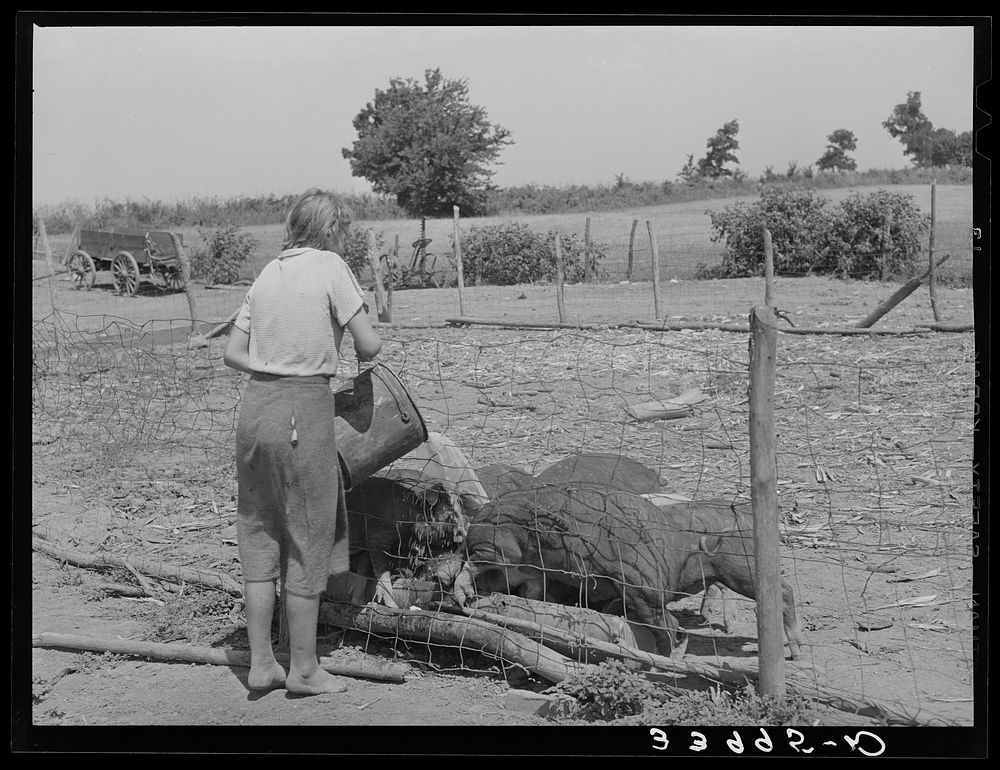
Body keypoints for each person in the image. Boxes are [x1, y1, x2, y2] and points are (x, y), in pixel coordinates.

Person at [223, 188, 383, 695]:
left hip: (254, 413)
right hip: (302, 411)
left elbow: (233, 351)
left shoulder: (268, 273)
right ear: (333, 230)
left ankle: (261, 664)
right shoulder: (331, 266)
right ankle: (305, 669)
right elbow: (370, 343)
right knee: (307, 537)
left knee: (260, 533)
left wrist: (273, 365)